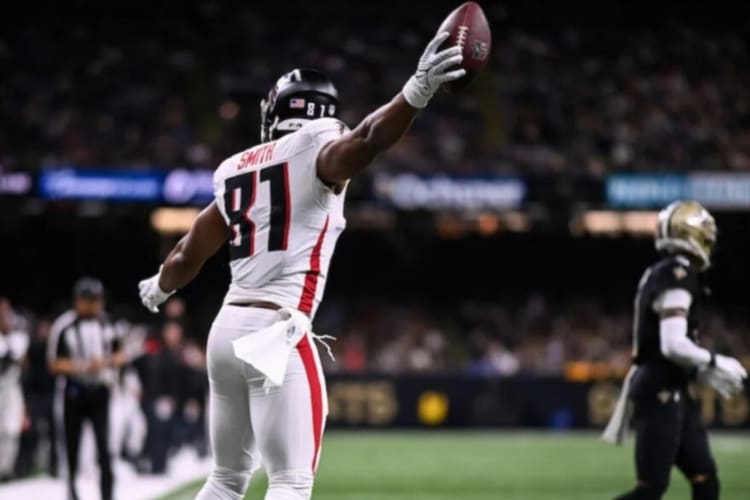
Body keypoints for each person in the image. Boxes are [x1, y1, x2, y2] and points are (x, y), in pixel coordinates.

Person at [138, 31, 465, 500]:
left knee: (226, 479)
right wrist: (416, 91)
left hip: (225, 329)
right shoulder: (319, 150)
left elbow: (189, 252)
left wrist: (159, 287)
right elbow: (369, 139)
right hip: (276, 329)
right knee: (291, 481)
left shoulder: (236, 168)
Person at [603, 201, 747, 500]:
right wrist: (714, 361)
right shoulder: (677, 274)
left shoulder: (667, 271)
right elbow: (672, 344)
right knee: (651, 488)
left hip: (673, 385)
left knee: (705, 480)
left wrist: (699, 371)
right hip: (659, 388)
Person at [48, 278, 126, 500]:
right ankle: (72, 492)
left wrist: (106, 362)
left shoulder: (108, 323)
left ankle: (108, 495)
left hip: (100, 391)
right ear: (78, 301)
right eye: (89, 300)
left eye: (97, 300)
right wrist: (83, 366)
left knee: (105, 447)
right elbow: (54, 363)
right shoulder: (64, 325)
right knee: (71, 446)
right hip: (74, 391)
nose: (94, 305)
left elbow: (121, 355)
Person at [0, 297, 29, 481]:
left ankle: (6, 469)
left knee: (12, 428)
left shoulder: (18, 337)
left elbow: (23, 363)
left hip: (11, 387)